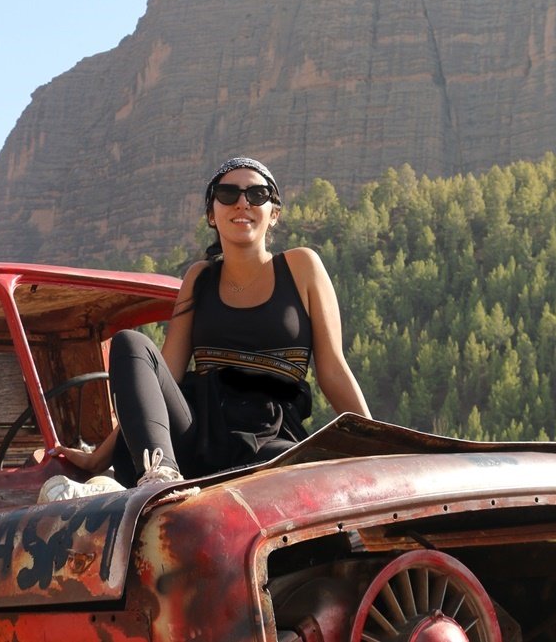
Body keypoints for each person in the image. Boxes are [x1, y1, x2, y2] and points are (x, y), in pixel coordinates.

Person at [39, 156, 370, 501]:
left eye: (257, 194)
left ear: (274, 213)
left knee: (300, 473)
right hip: (197, 433)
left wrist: (385, 441)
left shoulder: (302, 266)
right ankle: (160, 478)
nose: (242, 202)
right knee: (131, 343)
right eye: (228, 194)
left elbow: (333, 370)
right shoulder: (199, 278)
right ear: (212, 214)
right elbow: (159, 375)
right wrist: (98, 458)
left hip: (267, 437)